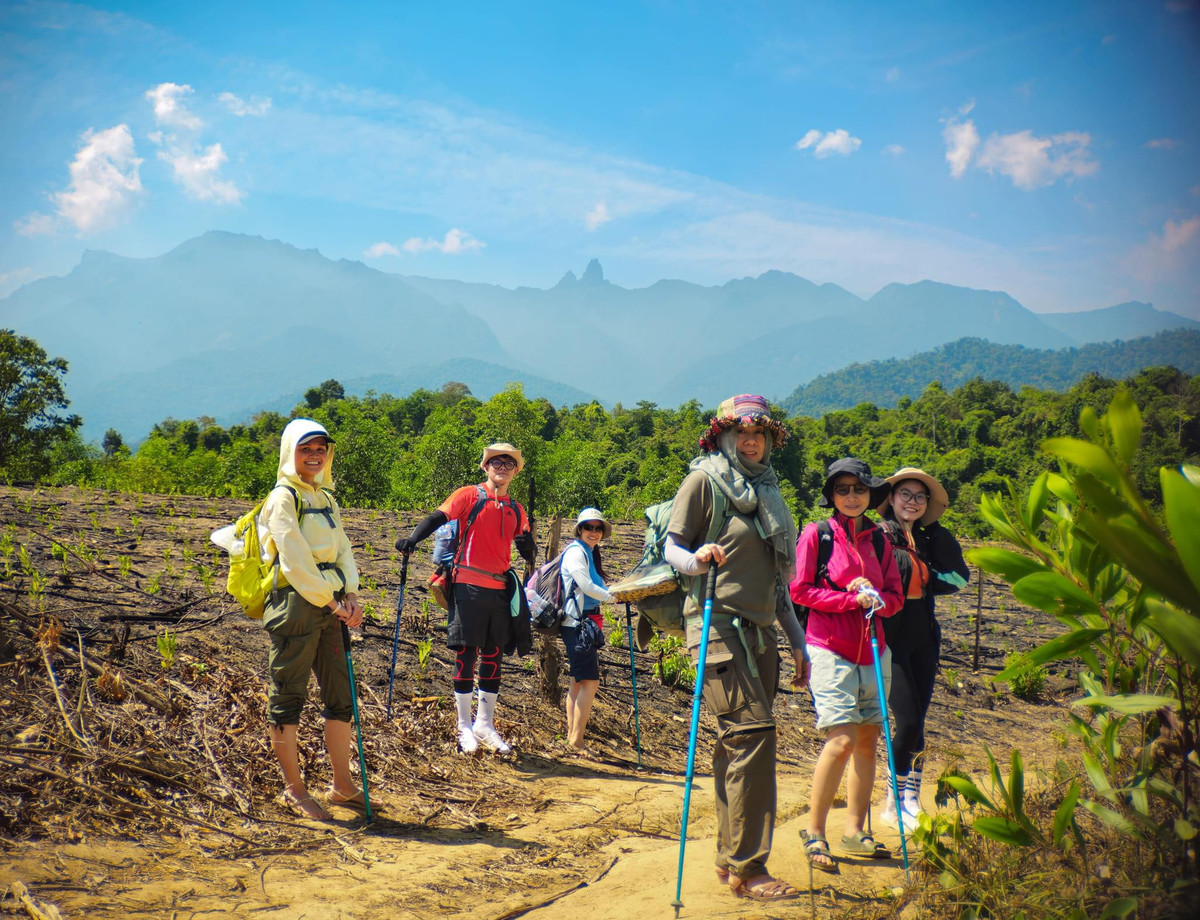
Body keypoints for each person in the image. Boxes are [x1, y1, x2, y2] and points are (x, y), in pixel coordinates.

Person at [663, 394, 807, 902]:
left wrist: (799, 647)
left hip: (763, 632)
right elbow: (672, 546)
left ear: (769, 441)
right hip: (718, 628)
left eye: (760, 434)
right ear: (723, 436)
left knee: (735, 745)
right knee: (753, 734)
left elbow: (778, 584)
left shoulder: (768, 490)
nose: (750, 441)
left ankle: (730, 859)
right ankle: (750, 869)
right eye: (741, 433)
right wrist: (697, 558)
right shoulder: (704, 480)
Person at [790, 457, 903, 872]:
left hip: (875, 650)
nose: (852, 496)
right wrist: (848, 600)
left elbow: (896, 597)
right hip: (830, 648)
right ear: (832, 496)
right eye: (843, 489)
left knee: (868, 740)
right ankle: (815, 831)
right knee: (840, 740)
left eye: (859, 489)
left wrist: (877, 599)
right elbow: (799, 591)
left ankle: (855, 830)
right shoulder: (816, 535)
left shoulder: (880, 540)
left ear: (870, 494)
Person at [396, 442, 535, 754]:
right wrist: (413, 539)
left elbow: (525, 543)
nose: (502, 467)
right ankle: (464, 727)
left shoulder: (516, 508)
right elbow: (437, 518)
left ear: (515, 472)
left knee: (493, 654)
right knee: (466, 654)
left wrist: (529, 549)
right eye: (496, 462)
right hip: (467, 585)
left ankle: (485, 724)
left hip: (499, 589)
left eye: (508, 464)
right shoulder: (468, 495)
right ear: (485, 467)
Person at [262, 419, 365, 821]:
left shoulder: (325, 498)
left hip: (333, 603)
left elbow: (343, 549)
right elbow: (295, 561)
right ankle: (294, 789)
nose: (315, 455)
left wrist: (351, 596)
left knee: (340, 694)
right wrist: (334, 602)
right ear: (291, 452)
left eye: (321, 448)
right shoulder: (283, 498)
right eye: (307, 448)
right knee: (289, 695)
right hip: (298, 605)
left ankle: (342, 786)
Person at [875, 468, 969, 828]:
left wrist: (927, 571)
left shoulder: (930, 539)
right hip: (891, 641)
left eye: (919, 497)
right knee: (908, 720)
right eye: (905, 494)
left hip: (925, 638)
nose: (912, 502)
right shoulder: (880, 536)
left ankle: (911, 798)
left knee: (919, 723)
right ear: (892, 499)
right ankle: (891, 802)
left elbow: (959, 577)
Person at [559, 507, 615, 755]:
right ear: (580, 529)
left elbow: (592, 585)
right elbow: (585, 585)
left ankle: (573, 737)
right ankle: (576, 741)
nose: (593, 532)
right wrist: (614, 598)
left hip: (585, 622)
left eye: (598, 528)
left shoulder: (590, 553)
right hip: (578, 623)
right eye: (588, 527)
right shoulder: (576, 553)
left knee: (577, 681)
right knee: (590, 682)